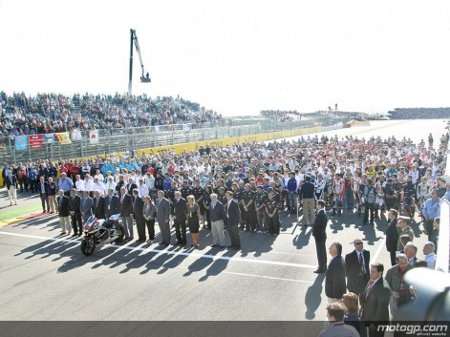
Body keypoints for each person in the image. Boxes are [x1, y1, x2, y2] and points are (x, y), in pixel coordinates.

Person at [360, 262, 391, 337]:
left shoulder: (384, 288)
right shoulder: (372, 280)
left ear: (380, 273)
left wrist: (374, 323)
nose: (371, 273)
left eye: (373, 272)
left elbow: (381, 309)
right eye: (371, 271)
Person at [385, 254, 413, 319]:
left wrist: (413, 286)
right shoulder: (391, 271)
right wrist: (391, 292)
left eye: (406, 262)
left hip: (408, 298)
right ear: (397, 262)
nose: (404, 265)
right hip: (395, 299)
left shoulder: (412, 269)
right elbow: (385, 284)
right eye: (402, 263)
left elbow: (418, 282)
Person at [312, 199, 328, 273]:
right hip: (322, 234)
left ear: (320, 205)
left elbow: (316, 225)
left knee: (320, 252)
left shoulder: (320, 214)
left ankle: (321, 267)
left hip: (319, 235)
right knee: (323, 250)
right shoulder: (323, 213)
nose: (316, 205)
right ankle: (324, 265)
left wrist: (314, 232)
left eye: (317, 204)